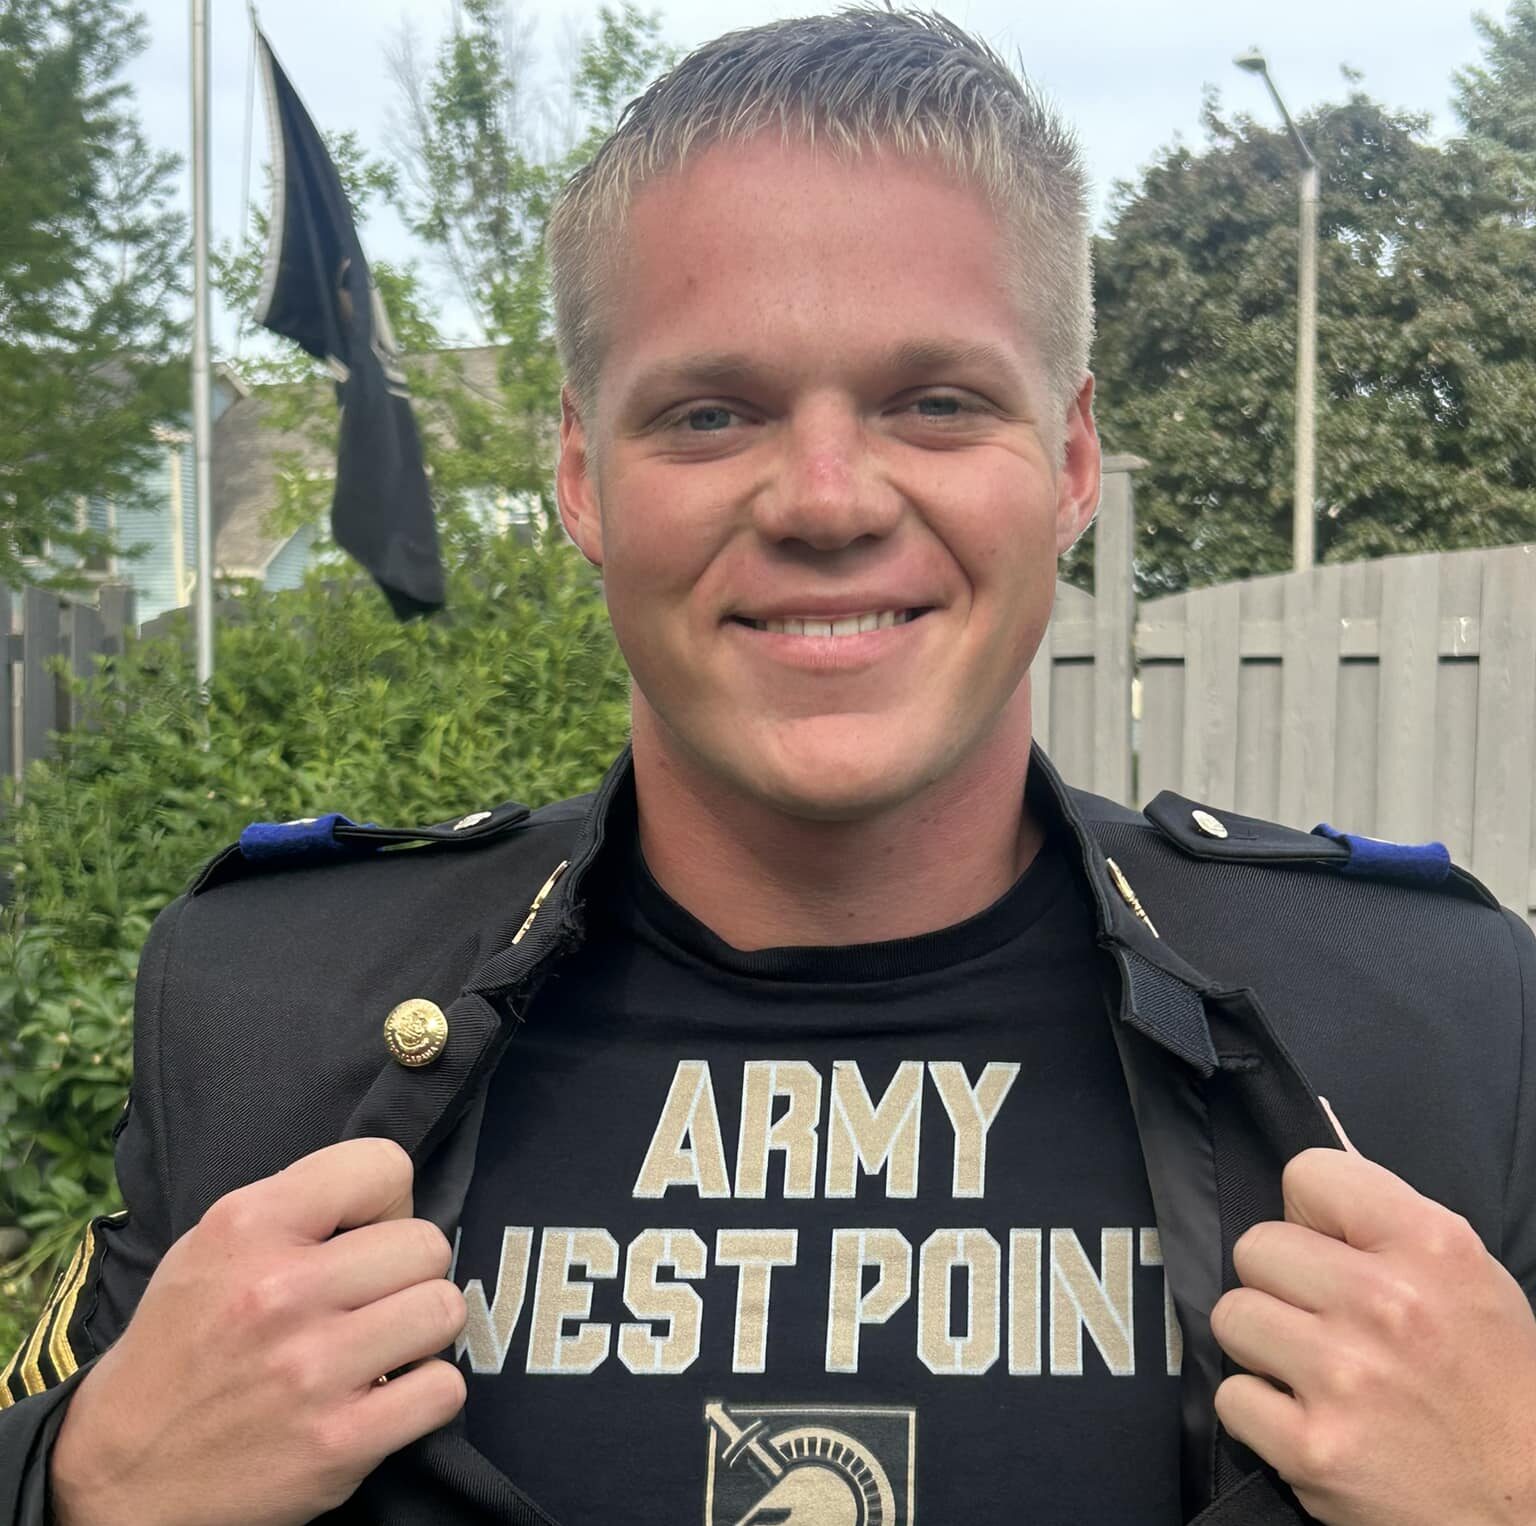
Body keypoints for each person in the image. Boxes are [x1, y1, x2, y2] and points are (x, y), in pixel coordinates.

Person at [4, 10, 1536, 1525]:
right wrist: (89, 1485)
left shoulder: (1428, 1028)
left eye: (935, 399)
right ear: (581, 478)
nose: (822, 499)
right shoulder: (272, 1012)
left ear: (1068, 461)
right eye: (711, 411)